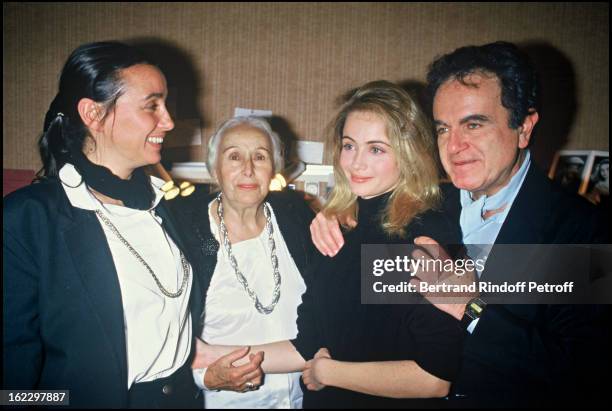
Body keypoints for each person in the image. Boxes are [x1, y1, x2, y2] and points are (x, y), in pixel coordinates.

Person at [311, 42, 610, 407]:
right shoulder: (426, 207)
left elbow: (584, 375)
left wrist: (471, 307)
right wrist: (335, 212)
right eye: (442, 129)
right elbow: (369, 314)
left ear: (524, 128)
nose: (454, 146)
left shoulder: (582, 230)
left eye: (474, 124)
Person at [2, 41, 258, 409]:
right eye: (152, 105)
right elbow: (13, 387)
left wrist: (339, 211)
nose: (169, 121)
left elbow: (249, 204)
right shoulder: (26, 219)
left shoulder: (161, 206)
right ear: (93, 113)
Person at [193, 81, 465, 408]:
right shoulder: (340, 231)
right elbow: (307, 342)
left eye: (376, 149)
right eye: (349, 146)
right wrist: (212, 354)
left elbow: (433, 378)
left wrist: (328, 372)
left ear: (408, 154)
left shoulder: (422, 234)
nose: (356, 163)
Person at [169, 116, 314, 408]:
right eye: (234, 156)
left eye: (260, 157)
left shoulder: (298, 222)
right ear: (214, 169)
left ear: (273, 167)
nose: (248, 169)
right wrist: (204, 376)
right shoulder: (187, 237)